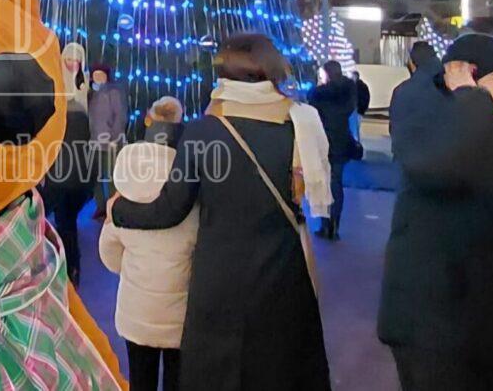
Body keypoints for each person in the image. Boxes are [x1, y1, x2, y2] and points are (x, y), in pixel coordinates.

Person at [109, 33, 332, 391]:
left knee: (220, 372)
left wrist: (120, 209)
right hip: (284, 272)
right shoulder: (300, 124)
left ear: (226, 76)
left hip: (221, 279)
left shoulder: (203, 131)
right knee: (278, 368)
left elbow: (170, 209)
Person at [378, 35, 493, 390]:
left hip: (479, 322)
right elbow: (438, 165)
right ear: (471, 76)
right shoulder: (424, 110)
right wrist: (472, 100)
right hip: (431, 324)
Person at [99, 141, 198, 391]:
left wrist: (130, 270)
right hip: (179, 317)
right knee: (178, 378)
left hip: (137, 315)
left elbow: (108, 254)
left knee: (141, 377)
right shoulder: (189, 210)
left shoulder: (121, 210)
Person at [40, 103, 95, 287]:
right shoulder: (85, 121)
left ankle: (56, 271)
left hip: (57, 181)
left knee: (43, 222)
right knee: (68, 226)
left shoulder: (53, 122)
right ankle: (72, 271)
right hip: (80, 183)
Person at [309, 61, 357, 239]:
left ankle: (324, 223)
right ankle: (335, 225)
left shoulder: (320, 93)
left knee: (323, 183)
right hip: (341, 140)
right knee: (337, 183)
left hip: (322, 140)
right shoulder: (348, 91)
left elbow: (311, 105)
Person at [88, 63, 127, 218]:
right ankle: (100, 206)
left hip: (111, 143)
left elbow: (120, 116)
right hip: (93, 142)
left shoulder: (113, 92)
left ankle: (113, 208)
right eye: (95, 75)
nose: (98, 78)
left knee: (112, 176)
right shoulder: (90, 93)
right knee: (96, 177)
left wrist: (115, 137)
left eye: (101, 75)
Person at [61, 41, 89, 111]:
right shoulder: (58, 77)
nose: (72, 63)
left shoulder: (85, 78)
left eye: (76, 60)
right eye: (69, 59)